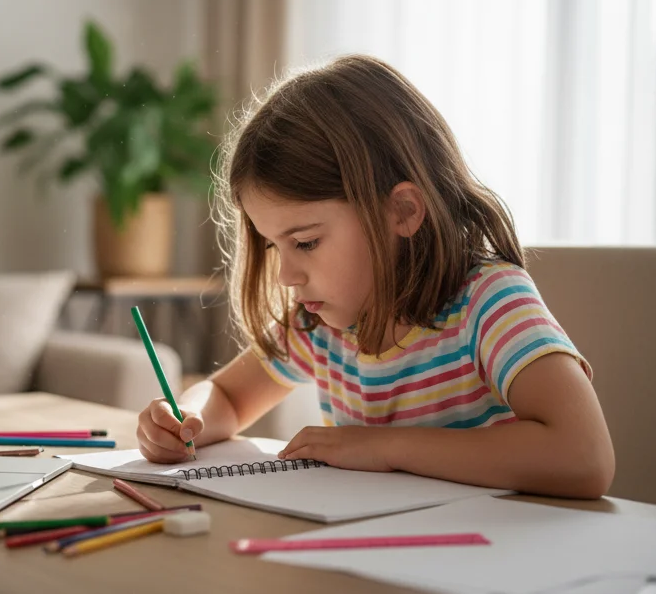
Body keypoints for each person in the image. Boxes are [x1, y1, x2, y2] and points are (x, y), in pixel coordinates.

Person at [136, 54, 615, 499]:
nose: (285, 275)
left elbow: (585, 456)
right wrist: (187, 418)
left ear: (401, 212)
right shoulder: (321, 326)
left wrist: (383, 447)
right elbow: (227, 395)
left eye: (305, 242)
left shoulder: (488, 303)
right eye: (271, 245)